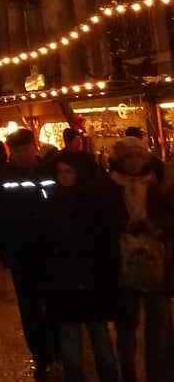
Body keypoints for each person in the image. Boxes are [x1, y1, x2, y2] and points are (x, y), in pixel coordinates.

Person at [43, 150, 121, 382]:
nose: (63, 176)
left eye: (68, 172)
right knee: (71, 344)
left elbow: (106, 244)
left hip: (92, 281)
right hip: (66, 283)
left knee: (100, 339)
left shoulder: (96, 201)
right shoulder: (55, 200)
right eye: (59, 172)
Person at [0, 127, 57, 379]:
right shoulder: (4, 177)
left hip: (49, 250)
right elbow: (0, 217)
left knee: (53, 303)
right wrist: (6, 252)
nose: (23, 154)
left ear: (35, 147)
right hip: (22, 254)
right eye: (17, 150)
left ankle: (56, 350)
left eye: (26, 148)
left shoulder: (48, 171)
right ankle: (40, 355)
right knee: (30, 307)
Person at [107, 135, 171, 382]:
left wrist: (156, 226)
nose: (134, 162)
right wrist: (124, 225)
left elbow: (168, 214)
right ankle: (129, 373)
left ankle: (159, 374)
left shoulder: (157, 182)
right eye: (129, 157)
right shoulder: (111, 184)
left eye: (138, 156)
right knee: (126, 326)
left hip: (156, 261)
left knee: (158, 327)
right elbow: (103, 219)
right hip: (125, 263)